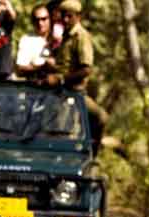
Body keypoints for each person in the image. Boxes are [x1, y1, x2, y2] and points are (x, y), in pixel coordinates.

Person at [43, 0, 108, 155]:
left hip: (74, 92)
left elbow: (86, 70)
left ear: (78, 16)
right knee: (56, 132)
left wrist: (61, 79)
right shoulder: (64, 36)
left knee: (100, 118)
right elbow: (65, 65)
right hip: (59, 92)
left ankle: (91, 156)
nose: (65, 20)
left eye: (69, 16)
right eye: (63, 16)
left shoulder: (81, 36)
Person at [15, 4, 53, 80]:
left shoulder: (59, 36)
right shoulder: (26, 40)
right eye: (36, 20)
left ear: (50, 19)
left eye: (44, 19)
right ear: (32, 21)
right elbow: (19, 70)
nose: (40, 23)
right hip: (34, 84)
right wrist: (41, 67)